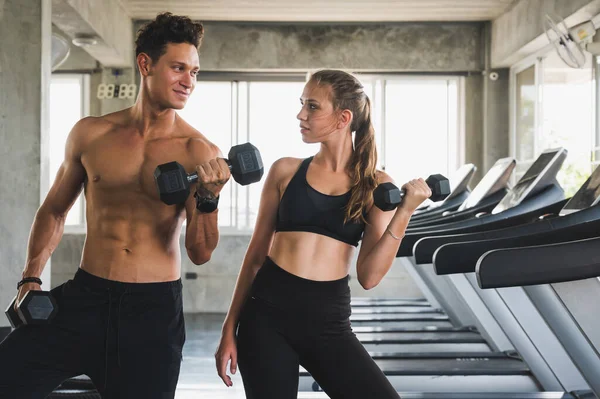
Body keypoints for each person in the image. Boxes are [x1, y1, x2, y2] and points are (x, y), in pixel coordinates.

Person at [0, 12, 229, 399]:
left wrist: (209, 199)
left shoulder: (199, 152)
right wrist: (30, 278)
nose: (188, 81)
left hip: (152, 313)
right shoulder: (91, 134)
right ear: (145, 64)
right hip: (86, 297)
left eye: (194, 72)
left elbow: (201, 253)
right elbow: (55, 210)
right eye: (178, 68)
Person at [214, 69, 432, 398]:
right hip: (266, 316)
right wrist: (229, 327)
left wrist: (404, 212)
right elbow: (256, 256)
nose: (301, 114)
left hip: (327, 321)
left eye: (313, 107)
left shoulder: (376, 185)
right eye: (302, 104)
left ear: (343, 118)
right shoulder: (285, 171)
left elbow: (369, 276)